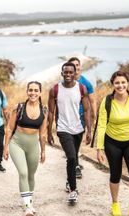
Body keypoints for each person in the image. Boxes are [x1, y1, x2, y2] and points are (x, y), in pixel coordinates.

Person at [96, 71, 129, 216]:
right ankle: (115, 204)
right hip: (112, 142)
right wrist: (99, 148)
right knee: (115, 174)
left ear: (127, 83)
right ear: (113, 85)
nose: (120, 85)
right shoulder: (107, 102)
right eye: (117, 83)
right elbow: (101, 126)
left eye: (123, 82)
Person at [47, 62, 91, 203]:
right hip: (63, 129)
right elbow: (51, 112)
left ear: (74, 73)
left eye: (70, 72)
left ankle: (69, 179)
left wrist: (89, 130)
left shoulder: (81, 88)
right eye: (65, 72)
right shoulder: (55, 90)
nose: (68, 75)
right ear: (62, 73)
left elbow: (87, 110)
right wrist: (49, 132)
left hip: (78, 129)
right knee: (71, 157)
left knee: (74, 157)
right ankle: (73, 190)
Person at [3, 81, 48, 216]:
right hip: (17, 143)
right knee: (23, 173)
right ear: (27, 91)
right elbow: (10, 128)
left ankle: (29, 202)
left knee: (31, 175)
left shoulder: (44, 110)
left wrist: (43, 150)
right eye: (30, 90)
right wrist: (5, 147)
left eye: (36, 90)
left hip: (33, 145)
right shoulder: (19, 107)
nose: (33, 93)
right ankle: (27, 207)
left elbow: (43, 133)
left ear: (40, 92)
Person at [67, 57, 97, 179]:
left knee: (77, 142)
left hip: (81, 117)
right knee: (71, 142)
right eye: (73, 65)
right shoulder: (66, 82)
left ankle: (75, 162)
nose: (76, 67)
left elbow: (93, 100)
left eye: (77, 65)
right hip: (68, 117)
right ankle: (76, 165)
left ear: (80, 67)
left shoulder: (86, 82)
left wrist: (94, 115)